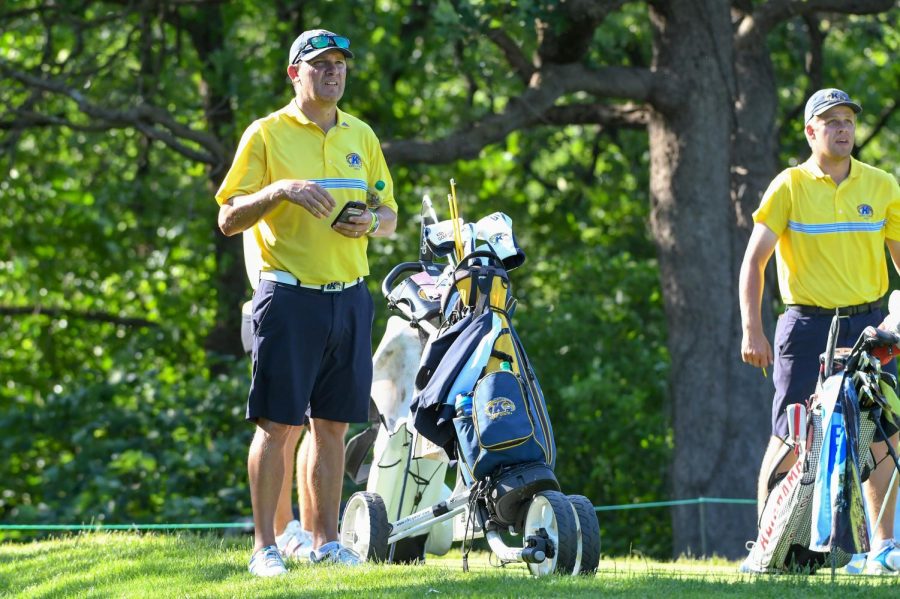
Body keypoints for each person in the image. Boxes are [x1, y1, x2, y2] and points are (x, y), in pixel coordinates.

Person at [215, 28, 398, 577]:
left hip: (349, 298)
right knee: (277, 425)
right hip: (288, 296)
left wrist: (371, 221)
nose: (333, 72)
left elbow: (387, 213)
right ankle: (265, 548)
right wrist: (279, 191)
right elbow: (227, 218)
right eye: (320, 64)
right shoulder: (266, 134)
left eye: (340, 63)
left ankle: (324, 542)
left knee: (333, 425)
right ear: (295, 73)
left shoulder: (361, 134)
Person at [740, 88, 900, 574]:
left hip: (871, 323)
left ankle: (884, 548)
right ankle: (770, 545)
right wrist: (753, 330)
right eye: (831, 121)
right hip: (806, 325)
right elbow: (755, 261)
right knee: (792, 433)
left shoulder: (882, 184)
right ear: (811, 131)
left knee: (882, 432)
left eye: (848, 119)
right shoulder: (788, 185)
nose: (843, 128)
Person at [241, 232, 315, 561]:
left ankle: (312, 532)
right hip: (275, 303)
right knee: (284, 424)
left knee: (321, 422)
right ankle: (283, 530)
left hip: (321, 304)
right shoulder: (263, 183)